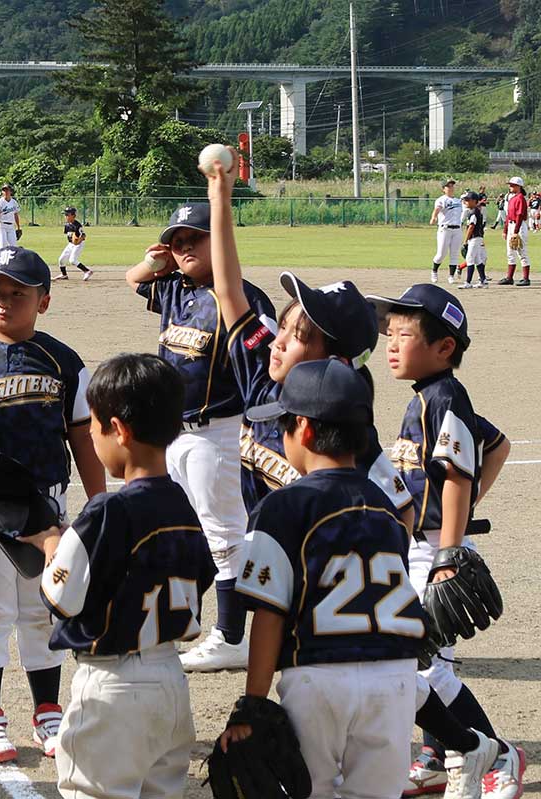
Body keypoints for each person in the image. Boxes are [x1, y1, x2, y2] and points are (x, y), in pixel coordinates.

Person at [199, 146, 501, 799]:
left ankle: (476, 744)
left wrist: (428, 554)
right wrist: (220, 192)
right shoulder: (259, 371)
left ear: (334, 357)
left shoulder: (344, 423)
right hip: (296, 561)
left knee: (391, 667)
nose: (278, 338)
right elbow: (227, 289)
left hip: (327, 581)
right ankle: (463, 740)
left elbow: (390, 508)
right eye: (280, 327)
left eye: (296, 331)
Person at [223, 358, 429, 799]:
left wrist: (253, 702)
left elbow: (269, 613)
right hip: (394, 677)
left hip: (317, 676)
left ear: (306, 429)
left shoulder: (283, 506)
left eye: (284, 426)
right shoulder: (387, 507)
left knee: (311, 790)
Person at [0, 246, 106, 764]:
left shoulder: (63, 360)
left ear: (44, 301)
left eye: (18, 293)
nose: (4, 302)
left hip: (47, 504)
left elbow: (81, 436)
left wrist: (99, 505)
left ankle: (48, 712)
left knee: (39, 611)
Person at [23, 353, 216, 799]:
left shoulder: (109, 509)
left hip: (113, 685)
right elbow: (201, 575)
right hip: (170, 679)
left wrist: (52, 545)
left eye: (94, 428)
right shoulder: (181, 505)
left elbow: (59, 598)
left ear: (120, 430)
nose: (92, 438)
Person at [368, 285, 526, 799]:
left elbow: (456, 474)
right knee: (426, 663)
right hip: (428, 544)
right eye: (389, 334)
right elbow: (496, 445)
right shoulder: (428, 397)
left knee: (427, 668)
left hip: (435, 550)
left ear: (444, 348)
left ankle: (497, 755)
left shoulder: (445, 397)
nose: (391, 344)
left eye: (405, 335)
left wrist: (448, 554)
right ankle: (437, 757)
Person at [125, 203, 277, 673]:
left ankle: (231, 637)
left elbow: (263, 365)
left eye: (196, 237)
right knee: (192, 531)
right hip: (176, 434)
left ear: (221, 240)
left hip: (221, 432)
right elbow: (133, 280)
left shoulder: (242, 299)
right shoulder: (173, 290)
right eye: (178, 240)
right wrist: (158, 261)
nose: (186, 247)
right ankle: (185, 621)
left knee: (226, 532)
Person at [431, 179, 463, 284]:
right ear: (443, 189)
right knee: (441, 254)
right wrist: (434, 217)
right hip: (445, 229)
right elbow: (437, 209)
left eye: (452, 186)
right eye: (448, 186)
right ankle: (434, 271)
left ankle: (451, 276)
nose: (451, 188)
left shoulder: (458, 201)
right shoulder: (441, 200)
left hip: (457, 229)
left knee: (454, 254)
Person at [500, 176, 531, 286]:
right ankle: (509, 277)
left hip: (519, 226)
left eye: (513, 185)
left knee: (522, 252)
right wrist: (505, 230)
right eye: (510, 185)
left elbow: (519, 215)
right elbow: (508, 216)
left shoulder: (520, 198)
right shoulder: (511, 198)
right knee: (510, 252)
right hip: (511, 226)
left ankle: (526, 278)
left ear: (519, 186)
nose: (510, 186)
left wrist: (516, 231)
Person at [459, 190, 489, 289]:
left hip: (475, 238)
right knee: (477, 260)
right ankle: (483, 280)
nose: (466, 202)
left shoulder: (474, 213)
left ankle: (468, 282)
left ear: (474, 201)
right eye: (465, 200)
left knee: (469, 259)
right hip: (477, 238)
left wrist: (465, 241)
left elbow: (471, 227)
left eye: (468, 200)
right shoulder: (474, 211)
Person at [56, 206, 92, 282]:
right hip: (71, 244)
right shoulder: (67, 225)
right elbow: (69, 235)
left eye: (67, 215)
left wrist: (78, 241)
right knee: (61, 260)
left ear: (73, 215)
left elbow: (83, 236)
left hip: (78, 244)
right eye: (65, 215)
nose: (65, 216)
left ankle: (87, 271)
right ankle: (64, 275)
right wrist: (72, 241)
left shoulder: (77, 225)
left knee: (72, 260)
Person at [0, 183, 22, 249]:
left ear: (10, 191)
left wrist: (18, 227)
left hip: (11, 226)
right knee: (3, 245)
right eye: (4, 190)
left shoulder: (14, 202)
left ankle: (10, 259)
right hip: (1, 226)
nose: (5, 192)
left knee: (13, 246)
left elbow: (16, 214)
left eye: (7, 190)